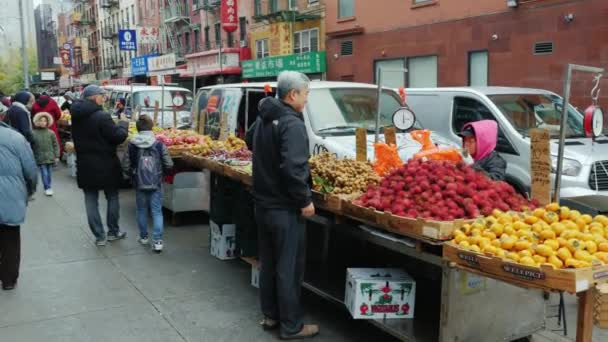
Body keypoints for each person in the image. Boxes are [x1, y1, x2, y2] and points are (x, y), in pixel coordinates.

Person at [245, 71, 318, 340]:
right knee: (289, 268)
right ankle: (292, 326)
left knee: (269, 263)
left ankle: (271, 316)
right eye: (306, 94)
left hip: (262, 204)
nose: (307, 99)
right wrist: (305, 200)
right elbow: (293, 167)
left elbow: (248, 140)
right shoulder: (291, 123)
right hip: (284, 208)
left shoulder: (265, 116)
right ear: (292, 95)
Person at [71, 85, 129, 246]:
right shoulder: (102, 116)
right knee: (112, 196)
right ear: (95, 97)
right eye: (102, 96)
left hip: (85, 164)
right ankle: (113, 231)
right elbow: (118, 137)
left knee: (90, 199)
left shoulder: (76, 116)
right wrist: (123, 124)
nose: (104, 99)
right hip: (106, 164)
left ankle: (99, 236)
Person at [122, 115, 173, 252]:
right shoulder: (159, 144)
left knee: (141, 210)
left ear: (138, 128)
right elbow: (169, 164)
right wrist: (163, 174)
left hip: (138, 183)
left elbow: (125, 165)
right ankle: (158, 241)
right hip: (156, 182)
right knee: (157, 211)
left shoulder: (132, 145)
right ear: (151, 127)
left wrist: (130, 176)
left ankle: (144, 237)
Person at [0, 118, 38, 290]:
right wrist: (30, 189)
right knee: (10, 238)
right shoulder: (15, 137)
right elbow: (30, 168)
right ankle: (8, 279)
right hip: (10, 194)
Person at [32, 112, 60, 196]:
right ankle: (47, 188)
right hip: (40, 157)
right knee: (44, 173)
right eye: (41, 121)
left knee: (49, 173)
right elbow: (31, 145)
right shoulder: (34, 133)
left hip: (50, 156)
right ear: (37, 122)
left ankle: (48, 186)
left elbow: (55, 144)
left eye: (45, 121)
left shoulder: (51, 133)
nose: (43, 122)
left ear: (48, 122)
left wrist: (57, 155)